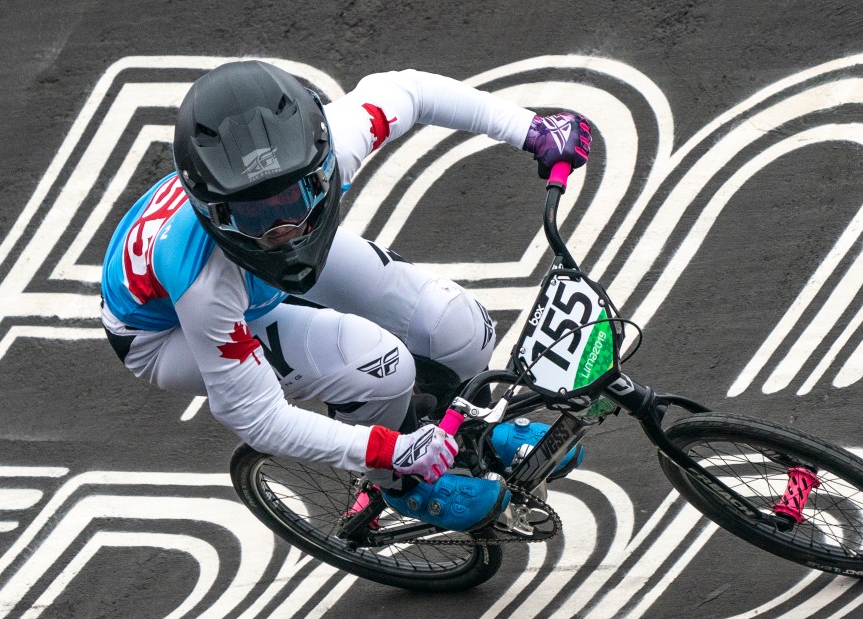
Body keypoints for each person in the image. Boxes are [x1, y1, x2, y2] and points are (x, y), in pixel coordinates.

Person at [100, 60, 592, 531]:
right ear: (214, 212)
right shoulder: (201, 281)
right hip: (166, 333)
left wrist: (530, 129)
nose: (284, 232)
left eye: (292, 200)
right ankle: (400, 488)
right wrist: (388, 452)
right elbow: (256, 417)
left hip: (244, 273)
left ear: (319, 168)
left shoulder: (330, 145)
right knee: (381, 367)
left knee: (457, 327)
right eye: (256, 216)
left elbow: (412, 91)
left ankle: (474, 434)